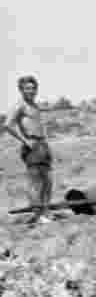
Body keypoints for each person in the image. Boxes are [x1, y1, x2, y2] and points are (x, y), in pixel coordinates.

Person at [5, 75, 53, 224]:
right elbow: (7, 125)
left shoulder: (35, 106)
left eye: (33, 88)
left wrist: (45, 143)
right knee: (35, 182)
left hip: (42, 144)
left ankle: (45, 213)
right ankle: (38, 215)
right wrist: (25, 141)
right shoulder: (20, 106)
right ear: (21, 90)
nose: (31, 91)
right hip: (31, 145)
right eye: (27, 88)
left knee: (48, 181)